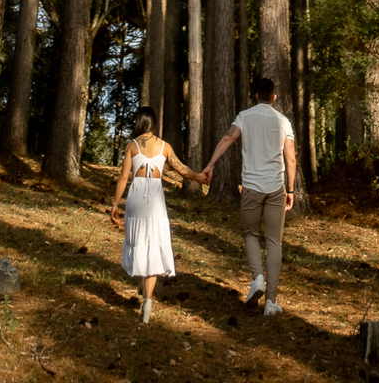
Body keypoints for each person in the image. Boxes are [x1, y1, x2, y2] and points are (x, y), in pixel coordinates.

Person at [202, 78, 296, 316]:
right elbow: (291, 158)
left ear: (256, 96)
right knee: (274, 241)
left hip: (251, 187)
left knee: (251, 234)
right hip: (276, 188)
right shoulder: (283, 121)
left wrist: (211, 165)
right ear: (273, 97)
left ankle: (257, 279)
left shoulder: (244, 116)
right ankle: (272, 302)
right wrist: (291, 190)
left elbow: (226, 139)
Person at [109, 106, 204, 323]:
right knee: (153, 245)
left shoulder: (132, 146)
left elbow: (124, 177)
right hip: (156, 198)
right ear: (154, 123)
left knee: (139, 243)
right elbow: (182, 169)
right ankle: (148, 299)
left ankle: (144, 294)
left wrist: (115, 204)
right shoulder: (165, 146)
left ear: (139, 123)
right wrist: (199, 177)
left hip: (136, 199)